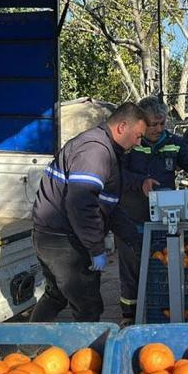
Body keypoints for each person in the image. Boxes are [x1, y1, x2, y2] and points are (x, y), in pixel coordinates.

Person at [29, 103, 148, 322]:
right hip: (63, 240)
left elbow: (108, 205)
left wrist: (135, 237)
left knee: (56, 296)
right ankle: (87, 355)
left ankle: (26, 351)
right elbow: (81, 204)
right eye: (138, 136)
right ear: (122, 127)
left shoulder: (106, 150)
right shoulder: (95, 150)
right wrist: (96, 249)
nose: (139, 143)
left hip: (53, 235)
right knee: (88, 306)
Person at [115, 97, 188, 326]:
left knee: (161, 264)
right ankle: (129, 316)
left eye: (161, 123)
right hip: (131, 217)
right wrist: (141, 182)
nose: (157, 129)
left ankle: (161, 310)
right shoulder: (129, 145)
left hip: (164, 218)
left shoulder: (173, 143)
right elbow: (117, 174)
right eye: (152, 124)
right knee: (131, 270)